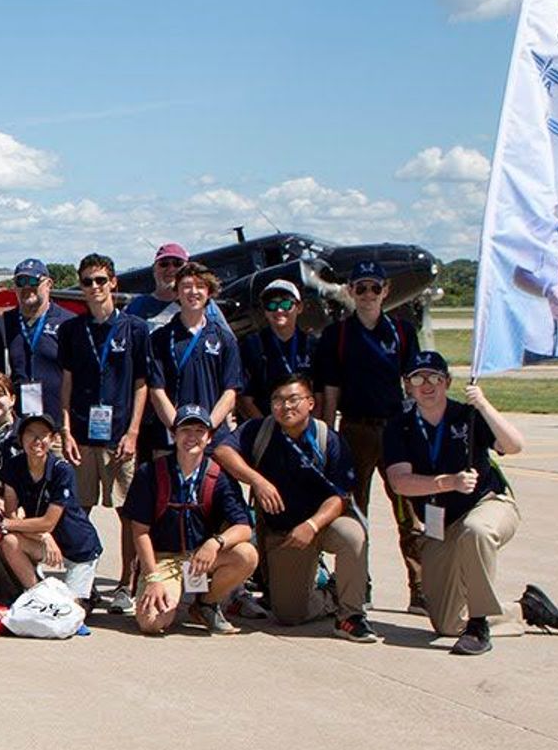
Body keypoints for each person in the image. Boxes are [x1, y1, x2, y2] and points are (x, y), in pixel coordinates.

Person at [381, 352, 558, 655]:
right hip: (442, 522)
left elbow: (514, 445)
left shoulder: (467, 416)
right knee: (448, 624)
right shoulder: (399, 426)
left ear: (447, 382)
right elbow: (399, 482)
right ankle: (526, 610)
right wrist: (448, 482)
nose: (427, 385)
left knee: (476, 531)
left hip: (488, 504)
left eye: (435, 377)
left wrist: (483, 405)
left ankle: (478, 625)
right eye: (418, 378)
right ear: (407, 385)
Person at [214, 371, 376, 641]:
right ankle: (331, 595)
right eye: (278, 400)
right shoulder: (260, 430)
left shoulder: (328, 439)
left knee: (353, 534)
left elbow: (340, 496)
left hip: (323, 524)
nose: (285, 406)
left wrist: (311, 525)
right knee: (289, 615)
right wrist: (257, 480)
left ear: (310, 403)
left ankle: (351, 616)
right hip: (284, 533)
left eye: (293, 399)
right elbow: (222, 451)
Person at [318, 259, 426, 606]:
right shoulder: (337, 335)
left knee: (408, 509)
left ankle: (420, 587)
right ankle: (357, 585)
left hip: (395, 429)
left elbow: (413, 382)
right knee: (354, 511)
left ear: (386, 291)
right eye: (361, 288)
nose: (368, 294)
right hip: (355, 429)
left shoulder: (402, 332)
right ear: (350, 291)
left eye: (374, 288)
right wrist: (328, 435)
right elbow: (330, 389)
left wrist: (417, 428)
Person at [57, 253, 150, 613]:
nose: (94, 287)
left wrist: (133, 432)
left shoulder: (135, 328)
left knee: (127, 511)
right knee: (78, 510)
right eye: (87, 281)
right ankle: (84, 582)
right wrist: (65, 430)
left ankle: (127, 583)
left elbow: (142, 383)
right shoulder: (72, 330)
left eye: (100, 280)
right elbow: (66, 383)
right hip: (81, 434)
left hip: (119, 436)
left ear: (113, 282)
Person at [123, 407, 259, 635]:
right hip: (164, 558)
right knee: (151, 622)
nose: (192, 437)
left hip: (201, 557)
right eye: (185, 430)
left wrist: (214, 543)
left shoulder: (219, 476)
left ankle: (206, 603)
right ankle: (169, 593)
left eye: (199, 431)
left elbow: (243, 527)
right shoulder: (151, 472)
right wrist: (153, 577)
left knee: (247, 555)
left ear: (209, 438)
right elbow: (139, 531)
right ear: (173, 434)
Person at [0, 412, 98, 604]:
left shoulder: (62, 470)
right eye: (30, 433)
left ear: (53, 439)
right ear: (21, 438)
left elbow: (48, 522)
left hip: (78, 547)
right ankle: (36, 593)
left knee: (71, 610)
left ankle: (87, 595)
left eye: (43, 434)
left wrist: (11, 524)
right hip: (44, 541)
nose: (37, 440)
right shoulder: (13, 466)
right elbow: (12, 516)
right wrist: (44, 536)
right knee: (9, 540)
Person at [146, 263, 245, 443]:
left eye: (200, 286)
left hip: (214, 437)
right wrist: (179, 430)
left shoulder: (225, 339)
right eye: (186, 286)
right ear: (177, 292)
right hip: (172, 437)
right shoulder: (159, 339)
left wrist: (207, 429)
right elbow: (156, 391)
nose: (193, 292)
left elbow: (230, 391)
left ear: (209, 292)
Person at [0, 259, 69, 429]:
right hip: (16, 428)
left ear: (48, 284)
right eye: (21, 282)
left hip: (57, 428)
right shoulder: (2, 325)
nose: (27, 287)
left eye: (33, 281)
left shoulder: (68, 324)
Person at [238, 279, 318, 422]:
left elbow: (320, 395)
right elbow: (245, 399)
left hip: (303, 425)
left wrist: (308, 427)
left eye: (286, 304)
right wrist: (268, 428)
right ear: (265, 311)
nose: (279, 310)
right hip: (264, 425)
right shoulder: (251, 345)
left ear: (299, 307)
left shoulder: (312, 345)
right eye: (271, 305)